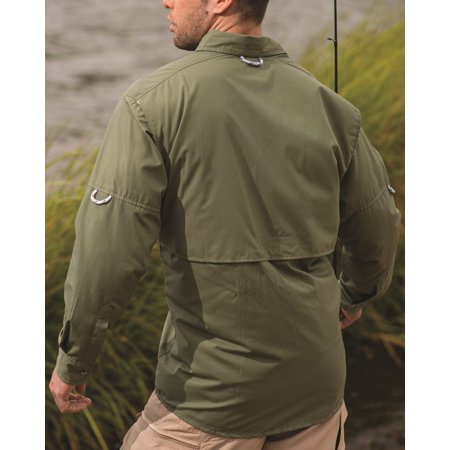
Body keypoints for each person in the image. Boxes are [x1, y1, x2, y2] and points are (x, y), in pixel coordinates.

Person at [49, 0, 401, 448]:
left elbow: (108, 251)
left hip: (209, 398)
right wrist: (352, 296)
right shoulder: (334, 109)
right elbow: (379, 227)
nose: (166, 1)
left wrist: (74, 359)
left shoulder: (149, 104)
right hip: (317, 391)